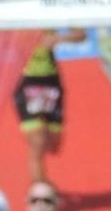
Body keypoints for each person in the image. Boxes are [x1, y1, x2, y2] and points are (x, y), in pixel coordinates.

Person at [16, 33, 75, 188]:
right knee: (38, 142)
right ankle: (39, 191)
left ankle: (40, 184)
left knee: (53, 145)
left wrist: (59, 39)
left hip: (51, 80)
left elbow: (81, 34)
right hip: (27, 79)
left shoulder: (50, 13)